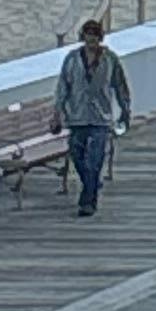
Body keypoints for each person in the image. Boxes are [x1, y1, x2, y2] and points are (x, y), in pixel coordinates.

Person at [53, 18, 132, 218]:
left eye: (95, 37)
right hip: (77, 116)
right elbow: (63, 88)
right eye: (88, 37)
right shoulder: (72, 59)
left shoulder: (110, 59)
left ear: (100, 38)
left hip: (100, 118)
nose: (91, 41)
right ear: (83, 37)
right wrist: (57, 113)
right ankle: (91, 183)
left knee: (95, 160)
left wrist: (125, 111)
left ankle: (88, 201)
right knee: (77, 156)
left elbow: (120, 87)